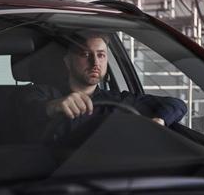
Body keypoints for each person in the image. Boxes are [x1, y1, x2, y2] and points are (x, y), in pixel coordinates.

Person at [23, 32, 187, 141]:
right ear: (68, 62)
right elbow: (27, 110)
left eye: (101, 55)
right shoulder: (40, 92)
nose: (95, 63)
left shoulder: (120, 100)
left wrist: (158, 122)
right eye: (85, 54)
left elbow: (177, 105)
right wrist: (54, 106)